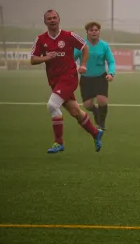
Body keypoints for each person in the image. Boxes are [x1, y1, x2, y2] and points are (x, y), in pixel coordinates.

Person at [30, 9, 104, 154]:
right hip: (54, 81)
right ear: (45, 22)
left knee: (52, 105)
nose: (52, 20)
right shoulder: (40, 39)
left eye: (54, 17)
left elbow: (85, 47)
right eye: (49, 18)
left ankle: (59, 142)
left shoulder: (69, 36)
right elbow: (33, 59)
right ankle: (96, 133)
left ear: (59, 19)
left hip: (69, 78)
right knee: (75, 111)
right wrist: (45, 58)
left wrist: (83, 65)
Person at [74, 21, 116, 130]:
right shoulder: (81, 46)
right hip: (86, 79)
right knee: (87, 105)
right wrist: (75, 68)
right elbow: (70, 60)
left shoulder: (104, 46)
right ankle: (96, 112)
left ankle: (101, 124)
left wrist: (111, 73)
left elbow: (111, 61)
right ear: (87, 32)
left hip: (100, 77)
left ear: (99, 32)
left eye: (96, 30)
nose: (94, 32)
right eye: (91, 30)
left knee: (102, 100)